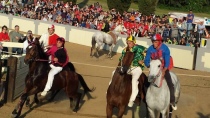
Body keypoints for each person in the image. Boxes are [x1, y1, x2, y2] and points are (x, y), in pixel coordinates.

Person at [109, 35, 147, 107]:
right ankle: (110, 90)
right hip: (127, 68)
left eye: (130, 42)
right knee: (114, 72)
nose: (128, 43)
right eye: (127, 42)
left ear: (133, 42)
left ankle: (132, 99)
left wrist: (143, 61)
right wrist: (118, 68)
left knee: (134, 80)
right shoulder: (125, 50)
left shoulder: (140, 48)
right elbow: (121, 60)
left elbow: (149, 53)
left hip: (137, 68)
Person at [144, 33, 176, 109]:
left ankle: (172, 100)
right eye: (153, 42)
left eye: (155, 42)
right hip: (154, 68)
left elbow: (167, 61)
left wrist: (164, 70)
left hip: (163, 67)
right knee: (146, 83)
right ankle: (146, 99)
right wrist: (149, 65)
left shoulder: (165, 49)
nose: (153, 43)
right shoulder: (150, 49)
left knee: (170, 83)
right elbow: (147, 59)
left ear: (159, 42)